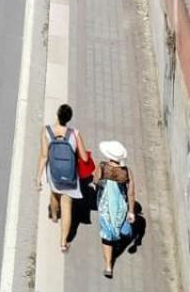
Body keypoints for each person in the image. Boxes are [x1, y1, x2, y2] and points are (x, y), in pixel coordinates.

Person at [37, 103, 89, 253]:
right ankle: (63, 243)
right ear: (69, 118)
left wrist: (38, 177)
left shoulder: (46, 131)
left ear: (57, 115)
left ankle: (53, 215)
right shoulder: (74, 133)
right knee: (67, 207)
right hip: (70, 176)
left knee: (54, 194)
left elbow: (44, 155)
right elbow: (84, 158)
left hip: (54, 173)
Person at [96, 140, 134, 278]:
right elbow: (130, 192)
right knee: (121, 229)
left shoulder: (102, 167)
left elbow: (96, 181)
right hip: (121, 207)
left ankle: (108, 266)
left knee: (106, 235)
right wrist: (131, 211)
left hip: (105, 207)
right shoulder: (126, 172)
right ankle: (117, 242)